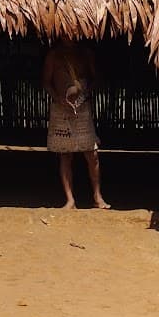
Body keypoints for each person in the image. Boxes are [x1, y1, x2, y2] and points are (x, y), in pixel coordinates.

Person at [43, 42, 109, 209]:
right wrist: (58, 99)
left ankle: (97, 196)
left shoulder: (86, 53)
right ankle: (70, 200)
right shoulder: (54, 55)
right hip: (61, 109)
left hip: (82, 107)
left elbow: (96, 78)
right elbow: (46, 82)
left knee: (92, 153)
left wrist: (85, 93)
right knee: (65, 154)